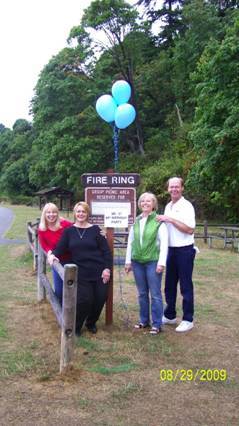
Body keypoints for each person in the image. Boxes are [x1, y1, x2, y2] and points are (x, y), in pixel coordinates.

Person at [48, 201, 112, 336]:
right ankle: (76, 327)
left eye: (83, 211)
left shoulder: (96, 230)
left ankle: (91, 323)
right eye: (78, 211)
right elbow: (59, 248)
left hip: (99, 271)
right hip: (81, 272)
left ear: (87, 213)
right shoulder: (69, 231)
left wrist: (106, 269)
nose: (81, 214)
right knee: (85, 300)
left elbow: (106, 251)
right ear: (75, 213)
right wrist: (52, 255)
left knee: (100, 298)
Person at [125, 192, 168, 335]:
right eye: (143, 201)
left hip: (152, 262)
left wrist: (161, 263)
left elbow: (164, 244)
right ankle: (144, 320)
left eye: (148, 201)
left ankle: (157, 324)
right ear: (139, 204)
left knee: (155, 294)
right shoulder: (136, 221)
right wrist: (128, 261)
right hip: (137, 262)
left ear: (154, 204)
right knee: (142, 293)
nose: (145, 203)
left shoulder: (158, 221)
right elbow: (130, 242)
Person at [157, 177, 196, 332]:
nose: (174, 189)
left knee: (185, 286)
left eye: (177, 187)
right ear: (168, 189)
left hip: (185, 250)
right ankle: (170, 315)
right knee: (169, 285)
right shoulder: (168, 206)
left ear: (182, 188)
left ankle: (188, 319)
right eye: (171, 187)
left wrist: (170, 219)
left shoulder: (187, 206)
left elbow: (189, 229)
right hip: (171, 250)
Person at [38, 203, 73, 305]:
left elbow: (79, 227)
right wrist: (49, 253)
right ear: (44, 214)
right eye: (48, 212)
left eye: (54, 212)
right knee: (59, 290)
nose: (51, 215)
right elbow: (44, 244)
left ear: (57, 214)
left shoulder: (65, 225)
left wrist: (98, 231)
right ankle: (62, 313)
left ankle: (74, 311)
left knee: (74, 287)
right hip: (57, 261)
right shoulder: (42, 228)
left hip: (72, 259)